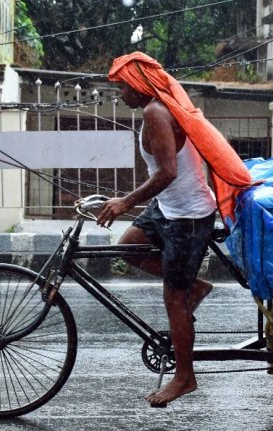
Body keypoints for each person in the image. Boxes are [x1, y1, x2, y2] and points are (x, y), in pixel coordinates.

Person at [98, 52, 253, 406]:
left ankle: (185, 377)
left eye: (122, 86)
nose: (120, 94)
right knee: (129, 247)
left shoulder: (156, 112)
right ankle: (194, 287)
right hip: (167, 209)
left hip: (187, 218)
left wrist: (125, 201)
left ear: (137, 85)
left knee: (174, 301)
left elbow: (166, 172)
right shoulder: (156, 108)